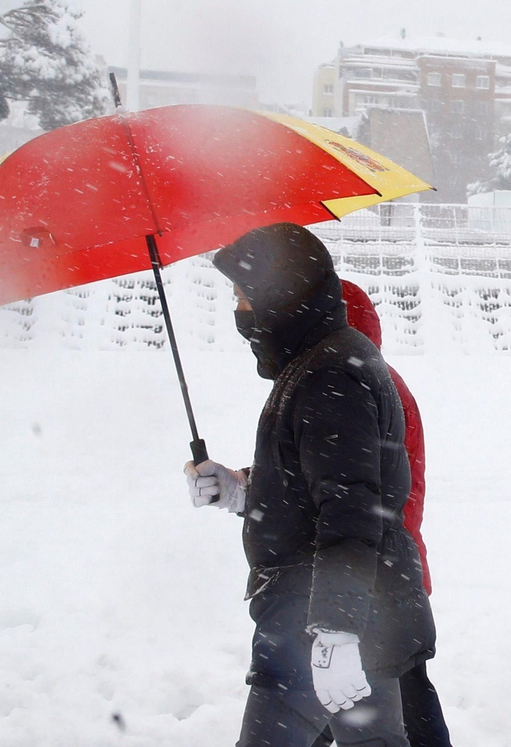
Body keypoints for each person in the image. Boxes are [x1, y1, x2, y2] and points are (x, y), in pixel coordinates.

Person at [186, 223, 434, 747]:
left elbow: (352, 507)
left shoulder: (329, 377)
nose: (239, 312)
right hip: (339, 613)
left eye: (244, 296)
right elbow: (307, 489)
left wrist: (336, 629)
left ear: (279, 294)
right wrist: (236, 490)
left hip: (318, 621)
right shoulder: (318, 366)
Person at [335, 280, 451, 747]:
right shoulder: (372, 379)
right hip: (385, 571)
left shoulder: (356, 387)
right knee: (399, 697)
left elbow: (348, 490)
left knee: (393, 701)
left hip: (370, 574)